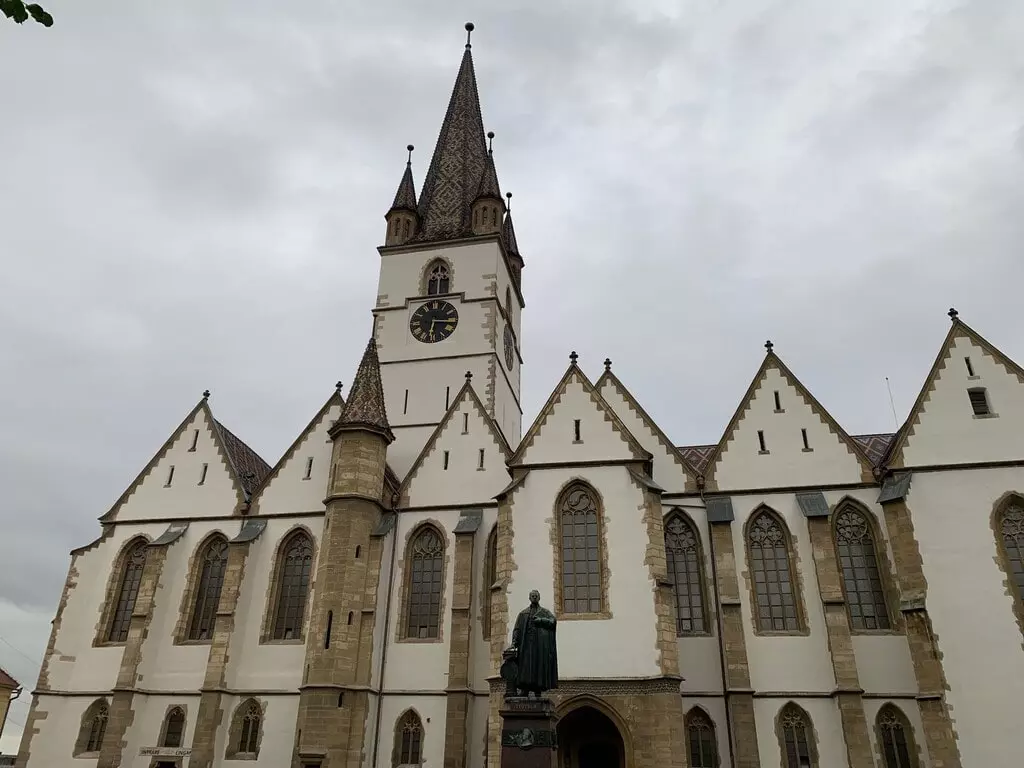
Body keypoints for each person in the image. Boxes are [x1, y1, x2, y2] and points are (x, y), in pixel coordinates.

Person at [503, 589, 558, 697]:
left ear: (539, 598)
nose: (534, 597)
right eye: (532, 596)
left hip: (539, 647)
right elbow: (517, 630)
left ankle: (538, 689)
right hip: (526, 647)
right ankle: (525, 689)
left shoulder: (545, 613)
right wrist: (514, 643)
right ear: (529, 598)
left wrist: (541, 621)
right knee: (526, 668)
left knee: (538, 667)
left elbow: (553, 622)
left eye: (536, 596)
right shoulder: (523, 614)